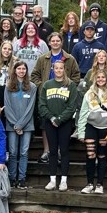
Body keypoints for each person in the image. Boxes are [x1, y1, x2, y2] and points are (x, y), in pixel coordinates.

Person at [75, 68, 107, 194]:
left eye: (103, 77)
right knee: (90, 155)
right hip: (91, 127)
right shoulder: (89, 93)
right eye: (98, 77)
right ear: (95, 79)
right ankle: (89, 183)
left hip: (105, 128)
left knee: (102, 156)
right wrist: (81, 131)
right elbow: (83, 113)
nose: (100, 79)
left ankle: (100, 184)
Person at [38, 60, 80, 192]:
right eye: (56, 68)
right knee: (52, 151)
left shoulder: (70, 85)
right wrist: (51, 117)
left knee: (65, 151)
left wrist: (60, 119)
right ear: (52, 69)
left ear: (64, 69)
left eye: (61, 68)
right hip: (50, 123)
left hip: (65, 123)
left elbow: (72, 106)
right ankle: (52, 180)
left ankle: (63, 180)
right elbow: (42, 105)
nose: (58, 70)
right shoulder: (47, 85)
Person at [4, 60, 36, 189]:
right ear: (15, 70)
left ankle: (22, 178)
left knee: (24, 152)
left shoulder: (32, 87)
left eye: (24, 69)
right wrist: (15, 125)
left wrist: (21, 125)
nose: (21, 71)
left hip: (27, 125)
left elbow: (31, 108)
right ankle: (12, 178)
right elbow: (7, 107)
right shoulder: (8, 86)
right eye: (19, 69)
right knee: (12, 152)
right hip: (11, 125)